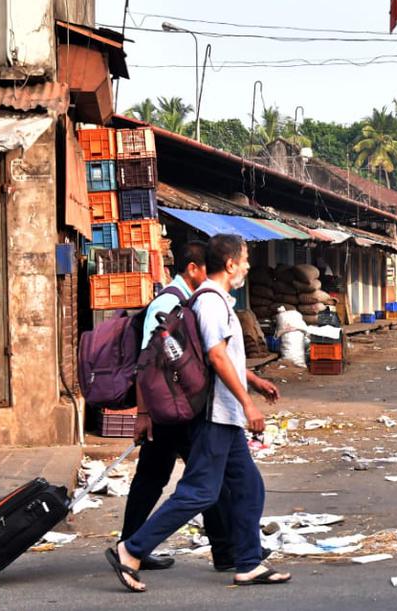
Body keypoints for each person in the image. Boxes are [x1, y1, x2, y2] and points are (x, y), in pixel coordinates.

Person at [106, 234, 290, 592]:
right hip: (214, 415)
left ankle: (248, 562)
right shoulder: (209, 301)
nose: (249, 266)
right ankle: (132, 549)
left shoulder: (218, 300)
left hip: (225, 416)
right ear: (231, 263)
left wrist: (253, 382)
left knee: (249, 486)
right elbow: (216, 357)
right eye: (246, 258)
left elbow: (224, 357)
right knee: (200, 492)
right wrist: (247, 403)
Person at [119, 241, 235, 573]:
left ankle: (130, 546)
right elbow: (145, 361)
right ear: (192, 269)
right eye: (205, 271)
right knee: (206, 477)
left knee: (153, 478)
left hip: (173, 407)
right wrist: (143, 415)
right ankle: (225, 551)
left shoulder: (188, 300)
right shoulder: (170, 300)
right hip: (168, 410)